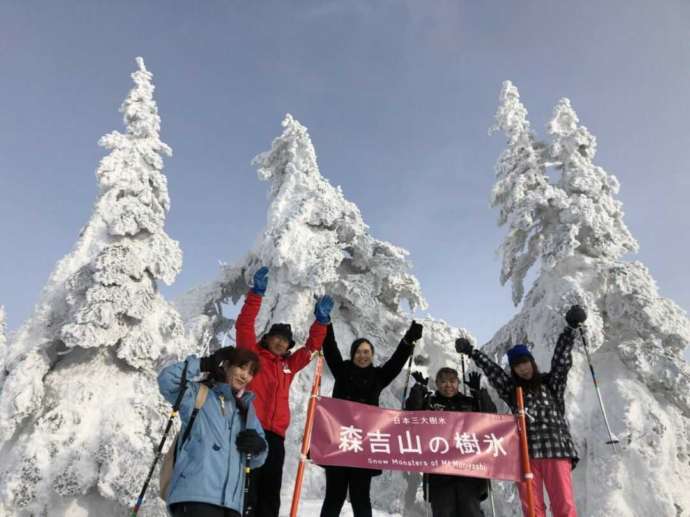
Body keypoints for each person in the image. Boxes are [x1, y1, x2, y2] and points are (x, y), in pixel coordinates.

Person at [456, 305, 586, 517]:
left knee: (563, 504)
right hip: (526, 454)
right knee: (532, 507)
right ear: (514, 370)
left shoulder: (551, 384)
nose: (523, 368)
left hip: (556, 450)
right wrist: (473, 353)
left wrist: (569, 329)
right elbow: (494, 372)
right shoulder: (513, 391)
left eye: (525, 363)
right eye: (518, 366)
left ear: (532, 364)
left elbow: (561, 361)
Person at [236, 266, 333, 517]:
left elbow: (312, 347)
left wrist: (321, 322)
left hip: (276, 439)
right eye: (276, 337)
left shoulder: (288, 366)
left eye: (285, 340)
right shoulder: (253, 356)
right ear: (267, 339)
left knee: (270, 498)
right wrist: (256, 294)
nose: (280, 342)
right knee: (248, 495)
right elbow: (244, 325)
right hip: (250, 431)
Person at [319, 320, 423, 517]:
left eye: (366, 352)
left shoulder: (378, 376)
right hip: (339, 441)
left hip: (363, 445)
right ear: (352, 354)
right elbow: (330, 347)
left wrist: (408, 340)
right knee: (334, 496)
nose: (362, 355)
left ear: (372, 355)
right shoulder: (342, 371)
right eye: (358, 351)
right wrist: (328, 323)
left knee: (360, 497)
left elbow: (396, 362)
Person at [158, 346, 268, 517]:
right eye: (241, 367)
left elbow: (257, 459)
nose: (245, 375)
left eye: (251, 372)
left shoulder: (246, 410)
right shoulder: (199, 395)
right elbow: (167, 380)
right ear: (226, 366)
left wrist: (259, 447)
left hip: (232, 505)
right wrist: (204, 363)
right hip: (195, 498)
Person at [405, 367, 496, 517]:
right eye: (443, 382)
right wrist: (419, 389)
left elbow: (491, 416)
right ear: (437, 384)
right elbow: (411, 414)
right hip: (439, 473)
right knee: (443, 512)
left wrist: (479, 393)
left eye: (452, 381)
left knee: (471, 512)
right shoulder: (430, 404)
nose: (448, 385)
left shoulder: (470, 402)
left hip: (469, 472)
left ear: (458, 383)